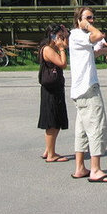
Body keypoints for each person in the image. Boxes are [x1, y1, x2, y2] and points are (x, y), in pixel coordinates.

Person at [69, 6, 107, 182]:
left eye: (92, 18)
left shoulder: (78, 37)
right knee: (97, 126)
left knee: (82, 129)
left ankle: (80, 167)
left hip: (80, 90)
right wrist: (87, 26)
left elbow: (89, 53)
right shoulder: (77, 34)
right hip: (88, 89)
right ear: (78, 20)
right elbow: (99, 35)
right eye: (88, 18)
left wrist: (106, 51)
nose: (92, 21)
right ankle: (96, 170)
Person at [37, 23, 69, 163]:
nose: (62, 39)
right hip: (51, 90)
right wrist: (61, 49)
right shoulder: (48, 50)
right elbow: (63, 63)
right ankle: (51, 154)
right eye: (59, 36)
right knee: (52, 121)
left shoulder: (51, 47)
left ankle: (48, 150)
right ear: (53, 36)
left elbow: (66, 46)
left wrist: (65, 35)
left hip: (54, 87)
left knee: (55, 119)